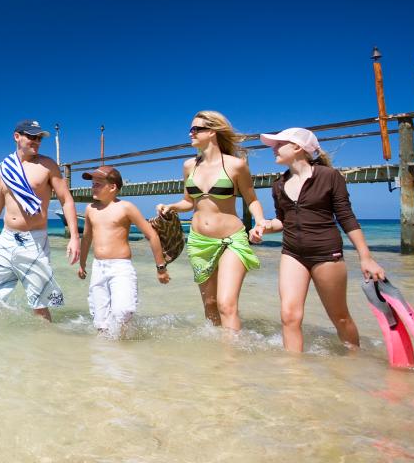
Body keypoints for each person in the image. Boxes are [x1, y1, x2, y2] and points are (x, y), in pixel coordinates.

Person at [250, 127, 385, 352]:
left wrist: (366, 257)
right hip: (292, 254)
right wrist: (263, 227)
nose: (273, 148)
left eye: (278, 144)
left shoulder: (329, 176)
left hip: (326, 254)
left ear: (298, 147)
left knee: (339, 317)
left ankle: (355, 361)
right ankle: (295, 375)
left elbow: (346, 217)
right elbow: (283, 221)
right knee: (289, 315)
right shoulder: (278, 185)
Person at [156, 110, 268, 331]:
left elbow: (251, 199)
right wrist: (171, 207)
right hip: (199, 242)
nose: (191, 133)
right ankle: (217, 357)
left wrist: (260, 221)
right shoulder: (189, 166)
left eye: (196, 129)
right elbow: (188, 201)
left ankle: (231, 359)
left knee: (226, 304)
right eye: (190, 129)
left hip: (231, 240)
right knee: (210, 305)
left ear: (213, 132)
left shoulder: (236, 165)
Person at [0, 120, 80, 322]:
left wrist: (75, 237)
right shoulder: (5, 167)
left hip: (34, 242)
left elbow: (66, 200)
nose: (36, 141)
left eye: (39, 138)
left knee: (39, 305)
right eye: (31, 136)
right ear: (17, 136)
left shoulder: (47, 165)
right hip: (6, 239)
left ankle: (46, 348)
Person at [78, 166, 170, 337]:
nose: (93, 187)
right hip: (98, 267)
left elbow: (152, 235)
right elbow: (87, 238)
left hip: (120, 267)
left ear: (112, 187)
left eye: (98, 184)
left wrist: (161, 267)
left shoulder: (126, 207)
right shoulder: (90, 208)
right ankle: (106, 355)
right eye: (93, 184)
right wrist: (82, 263)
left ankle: (123, 341)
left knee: (123, 310)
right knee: (100, 320)